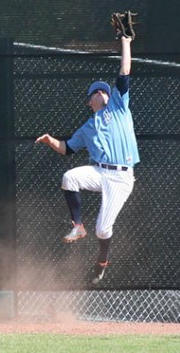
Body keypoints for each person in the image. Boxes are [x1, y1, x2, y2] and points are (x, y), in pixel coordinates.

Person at [35, 35, 139, 284]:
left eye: (105, 90)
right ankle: (78, 225)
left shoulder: (118, 106)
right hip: (99, 171)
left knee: (103, 229)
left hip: (121, 177)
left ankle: (102, 261)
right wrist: (51, 141)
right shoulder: (87, 127)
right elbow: (68, 148)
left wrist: (126, 42)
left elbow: (124, 71)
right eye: (97, 91)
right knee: (69, 177)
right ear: (89, 101)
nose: (103, 93)